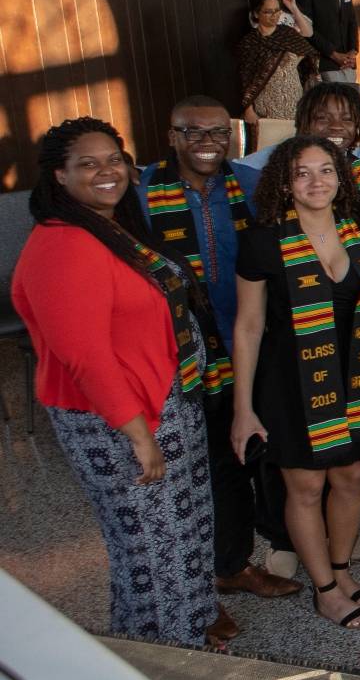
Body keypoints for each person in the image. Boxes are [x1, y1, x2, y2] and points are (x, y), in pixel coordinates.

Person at [15, 117, 223, 646]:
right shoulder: (64, 246)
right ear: (59, 177)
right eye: (88, 163)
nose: (106, 172)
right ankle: (168, 664)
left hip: (164, 402)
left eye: (113, 159)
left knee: (181, 540)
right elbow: (84, 355)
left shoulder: (108, 227)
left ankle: (187, 641)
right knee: (154, 552)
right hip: (123, 421)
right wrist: (137, 434)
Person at [138, 97, 305, 617]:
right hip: (185, 352)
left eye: (217, 132)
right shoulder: (142, 195)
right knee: (214, 465)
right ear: (171, 136)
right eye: (193, 132)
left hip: (255, 342)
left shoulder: (252, 188)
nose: (207, 142)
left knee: (267, 451)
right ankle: (227, 565)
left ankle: (275, 543)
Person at [231, 136, 360, 631]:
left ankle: (341, 570)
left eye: (326, 171)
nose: (316, 182)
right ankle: (324, 590)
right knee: (307, 486)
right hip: (289, 385)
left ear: (342, 177)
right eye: (302, 173)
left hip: (353, 380)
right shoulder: (263, 241)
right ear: (285, 182)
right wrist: (243, 408)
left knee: (352, 477)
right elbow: (249, 327)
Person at [233, 82, 360, 221]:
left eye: (347, 119)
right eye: (322, 118)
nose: (336, 126)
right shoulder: (273, 160)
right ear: (304, 122)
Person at [236, 0, 319, 122]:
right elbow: (245, 78)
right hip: (265, 109)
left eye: (277, 10)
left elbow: (310, 57)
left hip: (294, 105)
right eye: (269, 12)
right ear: (257, 14)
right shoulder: (249, 43)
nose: (275, 15)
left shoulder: (288, 34)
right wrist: (248, 110)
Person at [291, 0, 357, 82]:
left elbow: (351, 20)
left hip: (348, 64)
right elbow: (305, 27)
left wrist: (352, 51)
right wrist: (334, 55)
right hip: (325, 64)